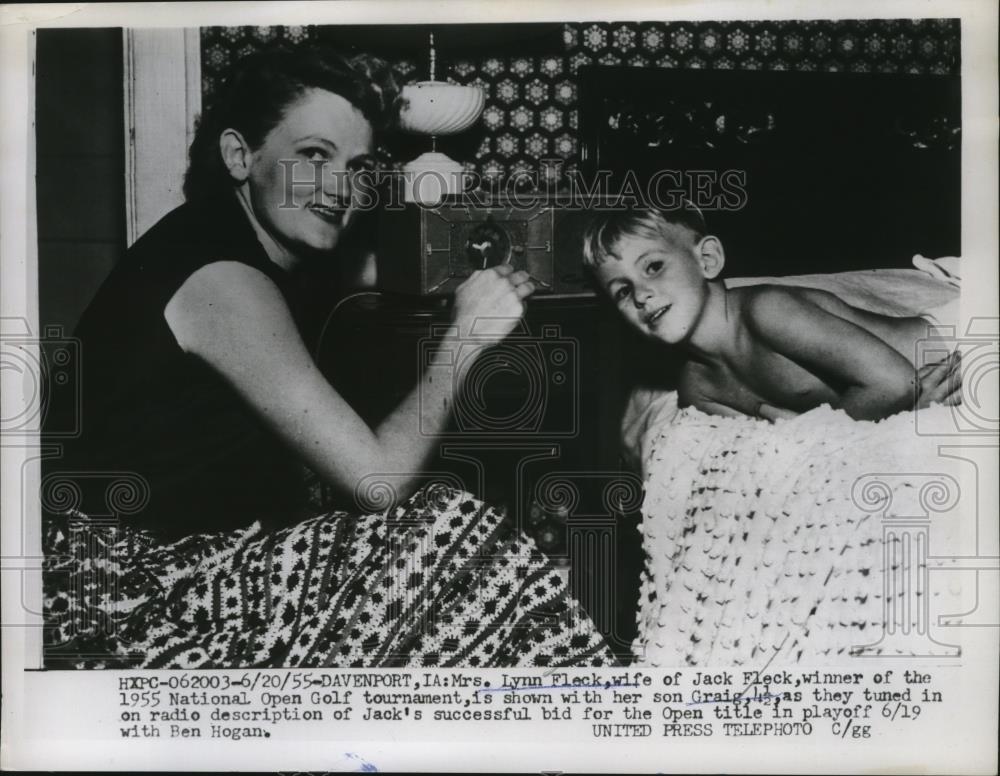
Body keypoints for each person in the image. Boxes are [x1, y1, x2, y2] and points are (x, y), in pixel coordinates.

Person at [42, 44, 615, 669]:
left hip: (185, 555)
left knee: (457, 562)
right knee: (448, 528)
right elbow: (376, 485)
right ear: (240, 155)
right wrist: (466, 340)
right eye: (314, 156)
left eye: (360, 166)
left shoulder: (259, 245)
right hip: (117, 589)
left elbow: (372, 270)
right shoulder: (221, 282)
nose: (343, 188)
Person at [581, 205, 962, 422]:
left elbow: (895, 383)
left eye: (653, 267)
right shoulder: (698, 388)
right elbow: (783, 439)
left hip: (958, 338)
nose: (642, 295)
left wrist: (903, 412)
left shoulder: (766, 311)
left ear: (708, 259)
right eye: (623, 291)